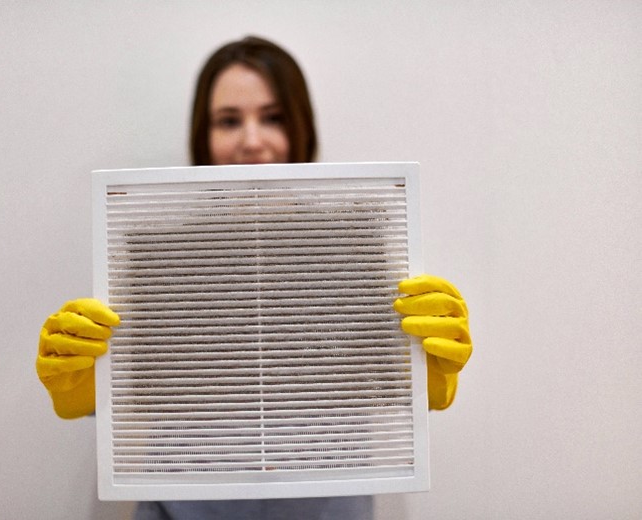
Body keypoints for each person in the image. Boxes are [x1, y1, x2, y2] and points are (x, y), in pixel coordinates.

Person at [36, 36, 472, 520]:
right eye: (228, 120)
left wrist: (416, 370)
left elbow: (379, 384)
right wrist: (85, 381)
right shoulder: (158, 257)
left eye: (273, 117)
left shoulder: (353, 251)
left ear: (301, 126)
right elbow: (136, 388)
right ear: (203, 134)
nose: (251, 140)